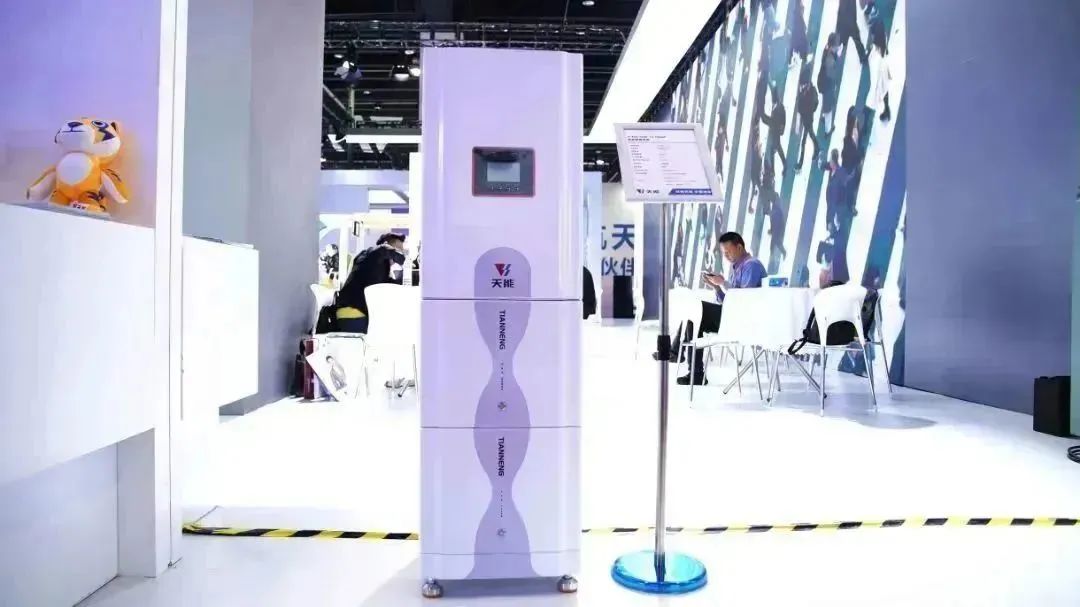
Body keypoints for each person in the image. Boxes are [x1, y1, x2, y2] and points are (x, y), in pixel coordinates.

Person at [677, 232, 767, 386]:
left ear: (739, 247)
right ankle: (694, 372)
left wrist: (723, 282)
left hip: (744, 320)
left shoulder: (752, 265)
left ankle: (688, 366)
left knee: (697, 310)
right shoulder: (736, 267)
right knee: (694, 313)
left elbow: (744, 299)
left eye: (728, 252)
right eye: (724, 253)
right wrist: (716, 287)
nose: (726, 256)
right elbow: (729, 301)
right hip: (732, 316)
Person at [334, 233, 406, 333]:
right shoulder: (370, 254)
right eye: (398, 249)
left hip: (359, 312)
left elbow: (390, 286)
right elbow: (381, 250)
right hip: (353, 312)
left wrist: (400, 274)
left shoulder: (382, 266)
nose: (401, 252)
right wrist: (400, 258)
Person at [867, 18, 892, 122]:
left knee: (870, 102)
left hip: (878, 75)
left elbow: (874, 75)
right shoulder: (884, 38)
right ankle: (887, 109)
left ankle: (865, 124)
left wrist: (874, 89)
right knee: (885, 89)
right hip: (884, 70)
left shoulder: (875, 55)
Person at [837, 0, 868, 65]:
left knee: (843, 42)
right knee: (856, 40)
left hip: (846, 24)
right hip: (850, 24)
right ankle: (862, 57)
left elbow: (840, 11)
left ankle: (862, 57)